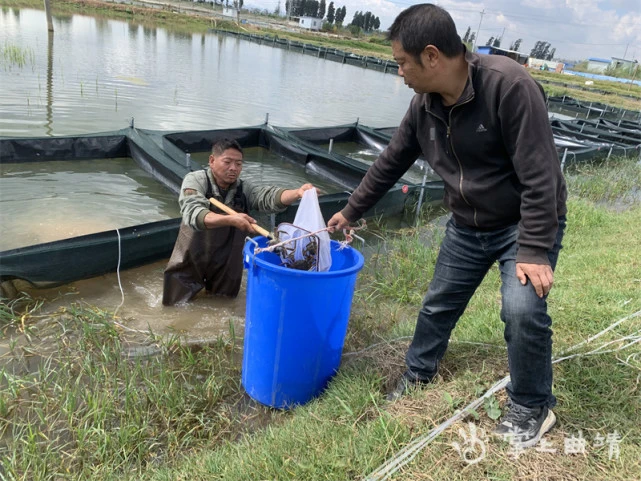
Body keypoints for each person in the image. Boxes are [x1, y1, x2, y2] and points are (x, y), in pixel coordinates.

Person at [327, 4, 567, 448]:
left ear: (432, 56)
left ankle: (533, 404)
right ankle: (418, 373)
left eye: (402, 62)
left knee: (521, 309)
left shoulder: (509, 87)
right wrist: (352, 211)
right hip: (467, 223)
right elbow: (389, 162)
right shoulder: (424, 107)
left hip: (524, 223)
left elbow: (541, 176)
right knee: (438, 304)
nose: (399, 72)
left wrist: (534, 249)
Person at [163, 138, 314, 305]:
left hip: (226, 261)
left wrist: (297, 193)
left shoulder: (244, 188)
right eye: (227, 162)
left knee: (223, 304)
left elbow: (267, 197)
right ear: (212, 161)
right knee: (174, 305)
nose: (233, 168)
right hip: (192, 256)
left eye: (239, 164)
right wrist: (231, 219)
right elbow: (194, 214)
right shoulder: (196, 180)